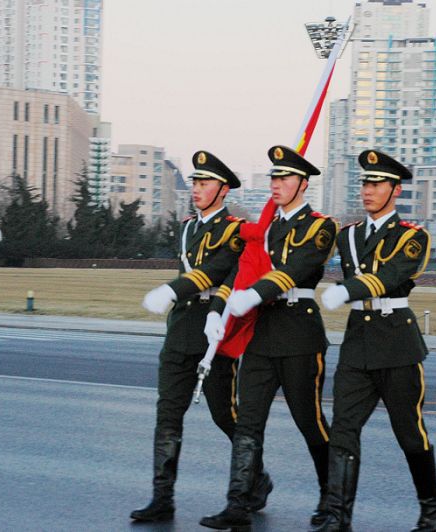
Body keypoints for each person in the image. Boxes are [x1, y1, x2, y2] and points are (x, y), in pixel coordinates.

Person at [200, 145, 338, 530]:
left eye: (285, 178)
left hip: (299, 334)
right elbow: (239, 272)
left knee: (308, 421)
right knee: (248, 422)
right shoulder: (265, 228)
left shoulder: (320, 226)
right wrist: (218, 309)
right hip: (262, 334)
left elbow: (296, 269)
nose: (276, 184)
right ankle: (238, 502)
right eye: (274, 178)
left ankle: (331, 497)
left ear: (303, 184)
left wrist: (254, 295)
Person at [130, 150, 272, 522]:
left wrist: (177, 292)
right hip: (181, 329)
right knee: (168, 414)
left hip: (214, 332)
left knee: (225, 415)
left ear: (223, 189)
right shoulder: (189, 226)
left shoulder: (234, 229)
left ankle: (255, 480)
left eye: (205, 182)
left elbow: (219, 270)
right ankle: (162, 497)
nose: (196, 188)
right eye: (194, 182)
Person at [316, 149, 436, 531]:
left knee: (409, 431)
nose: (368, 190)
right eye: (365, 183)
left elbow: (393, 275)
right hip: (358, 343)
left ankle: (431, 507)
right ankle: (338, 517)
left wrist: (347, 289)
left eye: (377, 184)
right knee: (343, 429)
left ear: (396, 190)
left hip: (396, 343)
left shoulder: (412, 237)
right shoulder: (348, 236)